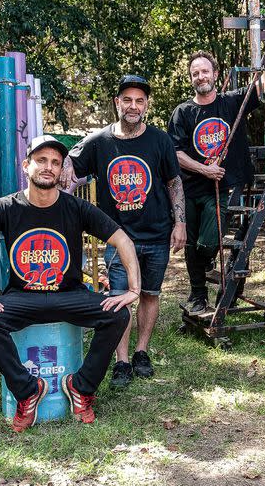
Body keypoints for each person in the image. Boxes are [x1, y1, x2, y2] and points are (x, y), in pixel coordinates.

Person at [0, 135, 141, 433]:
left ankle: (81, 387)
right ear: (26, 165)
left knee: (118, 314)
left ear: (60, 170)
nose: (49, 167)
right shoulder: (5, 207)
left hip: (69, 296)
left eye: (55, 162)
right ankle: (27, 391)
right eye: (42, 160)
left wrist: (134, 290)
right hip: (23, 297)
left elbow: (123, 240)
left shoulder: (76, 207)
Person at [60, 75, 185, 389]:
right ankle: (122, 360)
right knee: (118, 298)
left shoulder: (160, 140)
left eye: (139, 101)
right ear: (117, 103)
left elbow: (174, 182)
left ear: (146, 105)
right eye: (127, 100)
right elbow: (69, 162)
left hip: (157, 233)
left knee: (150, 294)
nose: (133, 106)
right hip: (118, 235)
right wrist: (63, 167)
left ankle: (142, 351)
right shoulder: (99, 141)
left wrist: (180, 222)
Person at [167, 51, 265, 315]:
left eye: (205, 71)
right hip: (192, 187)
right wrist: (205, 169)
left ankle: (206, 266)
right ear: (191, 79)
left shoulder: (232, 102)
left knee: (208, 242)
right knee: (192, 244)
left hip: (226, 185)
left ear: (215, 74)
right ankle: (198, 295)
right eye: (195, 73)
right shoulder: (183, 112)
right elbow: (176, 153)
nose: (201, 76)